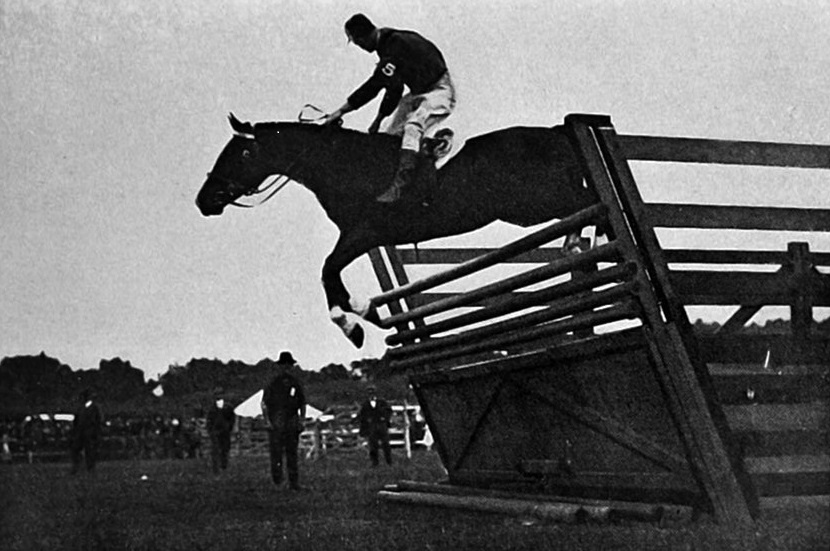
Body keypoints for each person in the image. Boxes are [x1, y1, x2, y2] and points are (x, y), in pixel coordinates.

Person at [323, 13, 456, 203]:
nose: (360, 47)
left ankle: (403, 185)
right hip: (419, 93)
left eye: (357, 42)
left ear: (362, 38)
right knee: (390, 136)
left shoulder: (394, 45)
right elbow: (394, 89)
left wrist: (341, 111)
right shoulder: (387, 45)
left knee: (412, 126)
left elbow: (374, 85)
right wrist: (378, 120)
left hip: (439, 91)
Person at [261, 351, 306, 489]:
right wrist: (268, 421)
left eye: (289, 365)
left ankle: (294, 482)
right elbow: (264, 404)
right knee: (276, 453)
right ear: (280, 366)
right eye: (284, 365)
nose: (287, 367)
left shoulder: (295, 383)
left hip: (292, 420)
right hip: (277, 420)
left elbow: (302, 403)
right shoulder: (273, 383)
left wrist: (302, 420)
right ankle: (278, 482)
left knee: (292, 453)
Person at [356, 386, 393, 466]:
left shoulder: (382, 402)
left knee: (386, 444)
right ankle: (374, 462)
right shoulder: (365, 404)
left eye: (372, 392)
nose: (371, 394)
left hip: (382, 425)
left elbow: (389, 411)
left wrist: (385, 418)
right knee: (373, 445)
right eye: (369, 393)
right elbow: (362, 415)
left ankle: (389, 461)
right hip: (372, 426)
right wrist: (366, 421)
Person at [70, 389, 102, 474]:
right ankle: (77, 467)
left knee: (89, 451)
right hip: (82, 432)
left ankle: (89, 468)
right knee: (77, 450)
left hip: (88, 431)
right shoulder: (82, 408)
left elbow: (97, 420)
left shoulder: (92, 408)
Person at [206, 389, 236, 474]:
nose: (219, 396)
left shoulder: (228, 407)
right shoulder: (212, 409)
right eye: (217, 395)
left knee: (225, 449)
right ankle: (216, 468)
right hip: (216, 431)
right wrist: (211, 430)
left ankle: (224, 464)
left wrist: (229, 427)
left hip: (225, 431)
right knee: (216, 449)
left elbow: (232, 419)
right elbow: (209, 420)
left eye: (220, 394)